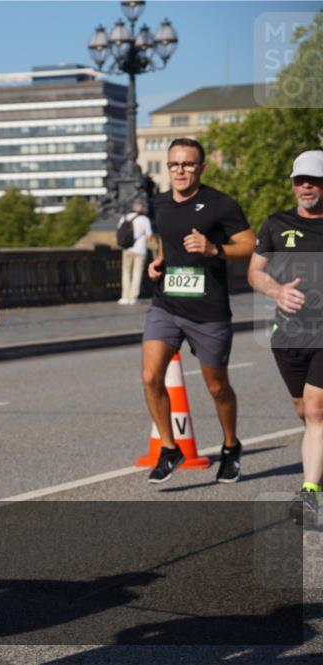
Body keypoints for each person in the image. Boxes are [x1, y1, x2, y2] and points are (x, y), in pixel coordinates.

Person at [143, 137, 255, 483]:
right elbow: (164, 239)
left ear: (201, 168)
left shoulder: (220, 204)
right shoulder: (159, 203)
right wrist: (158, 261)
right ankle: (169, 447)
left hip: (209, 310)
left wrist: (213, 248)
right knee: (150, 377)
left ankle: (231, 446)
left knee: (217, 386)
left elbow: (249, 245)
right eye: (174, 164)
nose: (180, 171)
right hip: (166, 303)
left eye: (188, 164)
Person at [248, 150, 323, 525]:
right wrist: (277, 291)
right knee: (305, 414)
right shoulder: (275, 225)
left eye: (314, 179)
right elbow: (255, 273)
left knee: (315, 409)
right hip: (289, 335)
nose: (306, 186)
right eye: (300, 180)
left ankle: (309, 494)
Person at [118, 199, 153, 305]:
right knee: (137, 273)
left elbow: (119, 232)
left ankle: (124, 297)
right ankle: (133, 297)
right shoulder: (144, 219)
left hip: (127, 248)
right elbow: (149, 236)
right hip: (140, 249)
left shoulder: (125, 218)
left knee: (126, 272)